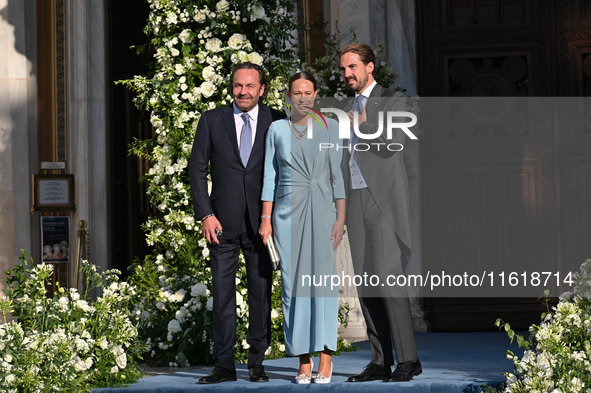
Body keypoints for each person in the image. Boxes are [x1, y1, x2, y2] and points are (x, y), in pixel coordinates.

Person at [189, 62, 286, 384]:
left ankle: (257, 363)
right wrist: (205, 214)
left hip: (263, 224)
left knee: (261, 296)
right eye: (237, 86)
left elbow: (287, 172)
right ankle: (224, 365)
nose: (242, 92)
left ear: (262, 89)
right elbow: (197, 169)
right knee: (222, 297)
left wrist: (276, 217)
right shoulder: (211, 120)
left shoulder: (277, 120)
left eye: (249, 86)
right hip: (221, 223)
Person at [339, 43, 422, 382]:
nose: (347, 74)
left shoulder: (392, 99)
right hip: (354, 198)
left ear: (369, 67)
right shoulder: (345, 106)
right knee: (366, 280)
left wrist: (359, 123)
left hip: (383, 200)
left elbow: (394, 139)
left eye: (352, 67)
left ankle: (408, 359)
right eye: (343, 69)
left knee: (389, 277)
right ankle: (379, 360)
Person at [258, 72, 346, 384]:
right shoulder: (277, 129)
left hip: (323, 211)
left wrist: (341, 216)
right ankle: (303, 360)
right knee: (293, 287)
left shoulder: (330, 126)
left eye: (308, 92)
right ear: (288, 96)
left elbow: (338, 173)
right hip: (285, 214)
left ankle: (325, 357)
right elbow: (270, 176)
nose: (303, 98)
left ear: (316, 94)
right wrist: (266, 219)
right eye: (297, 93)